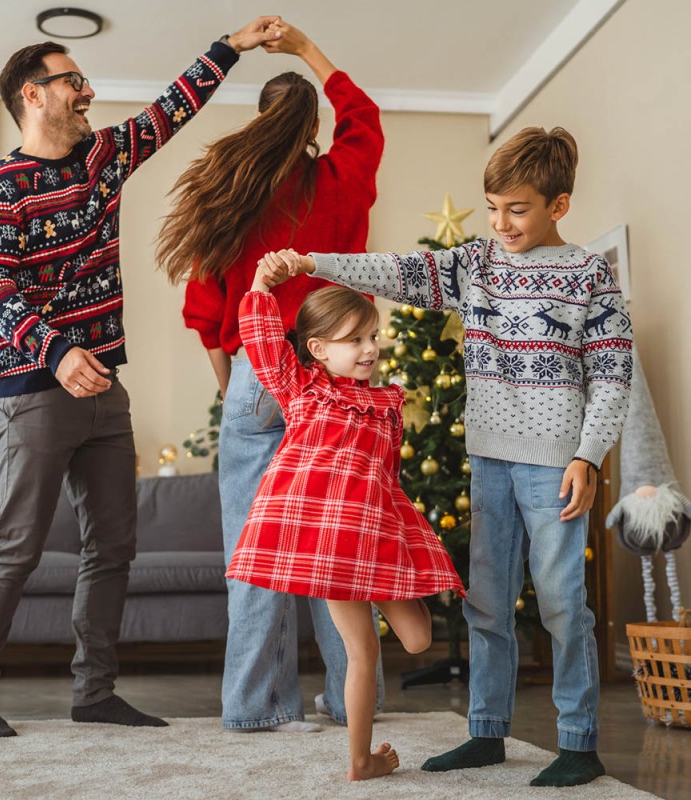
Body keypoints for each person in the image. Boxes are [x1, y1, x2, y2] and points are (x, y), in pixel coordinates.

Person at [259, 126, 633, 787]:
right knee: (486, 604)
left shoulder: (588, 275)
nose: (500, 222)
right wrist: (314, 262)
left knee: (561, 604)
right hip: (488, 458)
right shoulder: (477, 265)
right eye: (492, 207)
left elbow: (611, 373)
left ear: (558, 205)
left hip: (556, 464)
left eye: (516, 209)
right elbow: (397, 271)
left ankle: (578, 741)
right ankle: (486, 732)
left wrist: (589, 456)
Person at [0, 17, 283, 739]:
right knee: (17, 547)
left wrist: (231, 45)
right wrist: (54, 351)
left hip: (106, 389)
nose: (89, 91)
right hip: (34, 392)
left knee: (114, 547)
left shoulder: (103, 156)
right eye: (74, 81)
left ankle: (94, 692)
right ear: (34, 96)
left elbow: (172, 107)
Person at [156, 22, 385, 733]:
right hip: (334, 378)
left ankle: (256, 708)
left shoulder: (231, 192)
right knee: (334, 544)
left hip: (258, 372)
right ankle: (351, 702)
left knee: (254, 551)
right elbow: (366, 117)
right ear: (314, 125)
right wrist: (309, 49)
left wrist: (240, 385)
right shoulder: (341, 178)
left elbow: (204, 311)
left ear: (260, 122)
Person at [227, 276, 465, 780]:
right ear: (317, 349)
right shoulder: (301, 387)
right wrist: (262, 284)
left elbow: (388, 477)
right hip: (326, 545)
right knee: (363, 649)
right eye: (354, 339)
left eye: (373, 336)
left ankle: (363, 754)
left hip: (371, 538)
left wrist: (405, 543)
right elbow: (263, 336)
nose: (369, 349)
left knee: (420, 638)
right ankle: (361, 761)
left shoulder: (386, 405)